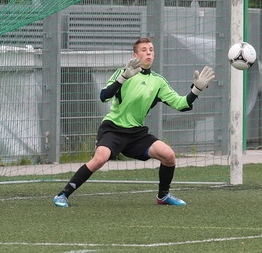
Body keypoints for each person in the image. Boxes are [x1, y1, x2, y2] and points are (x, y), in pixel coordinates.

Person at [53, 37, 215, 207]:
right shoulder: (123, 73)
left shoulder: (158, 81)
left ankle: (163, 196)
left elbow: (181, 104)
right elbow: (104, 96)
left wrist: (196, 90)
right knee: (101, 158)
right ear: (135, 55)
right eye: (144, 50)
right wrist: (123, 78)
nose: (148, 53)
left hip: (136, 133)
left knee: (168, 156)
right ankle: (63, 195)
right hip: (113, 128)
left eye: (151, 50)